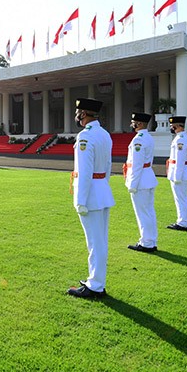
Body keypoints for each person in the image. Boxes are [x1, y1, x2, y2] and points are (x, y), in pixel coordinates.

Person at [66, 98, 114, 299]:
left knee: (95, 242)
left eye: (78, 112)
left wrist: (80, 199)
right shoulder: (104, 134)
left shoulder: (85, 137)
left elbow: (84, 172)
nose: (77, 116)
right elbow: (109, 166)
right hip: (102, 190)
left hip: (91, 195)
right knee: (100, 241)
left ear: (84, 114)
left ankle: (95, 285)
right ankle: (96, 281)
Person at [124, 112, 158, 253]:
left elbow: (137, 164)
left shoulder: (139, 140)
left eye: (134, 122)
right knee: (148, 211)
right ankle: (151, 240)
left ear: (139, 124)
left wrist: (132, 183)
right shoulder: (148, 137)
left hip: (141, 180)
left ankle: (146, 242)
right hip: (147, 178)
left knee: (143, 213)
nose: (132, 125)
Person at [165, 116, 187, 231]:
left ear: (178, 126)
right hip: (180, 171)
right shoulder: (180, 138)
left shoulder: (181, 139)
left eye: (173, 126)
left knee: (180, 198)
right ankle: (182, 220)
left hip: (179, 172)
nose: (171, 127)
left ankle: (182, 222)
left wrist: (177, 176)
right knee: (181, 198)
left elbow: (180, 159)